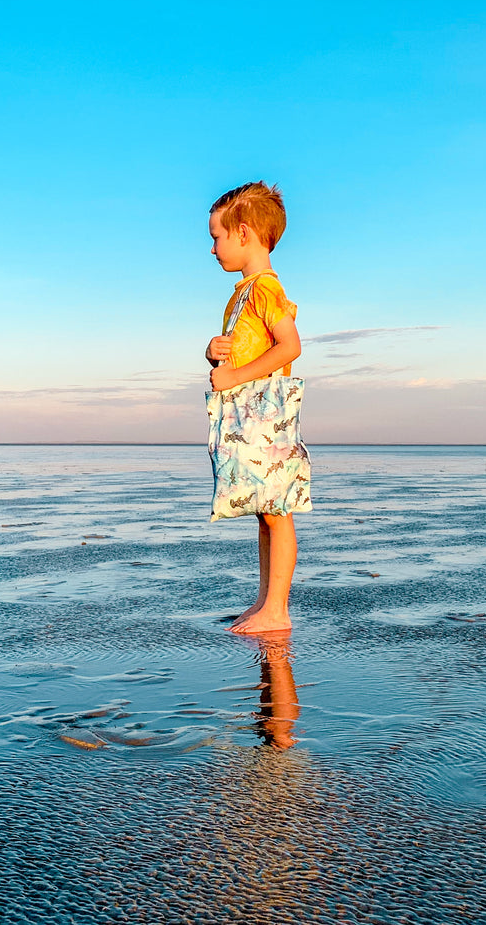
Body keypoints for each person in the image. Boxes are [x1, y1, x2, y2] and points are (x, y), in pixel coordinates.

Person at [205, 181, 304, 634]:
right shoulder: (243, 292)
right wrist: (216, 352)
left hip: (265, 418)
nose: (212, 249)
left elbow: (290, 347)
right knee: (265, 511)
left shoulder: (264, 288)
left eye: (217, 237)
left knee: (276, 512)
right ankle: (265, 600)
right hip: (250, 418)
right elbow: (250, 347)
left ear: (243, 233)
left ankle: (277, 609)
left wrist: (232, 376)